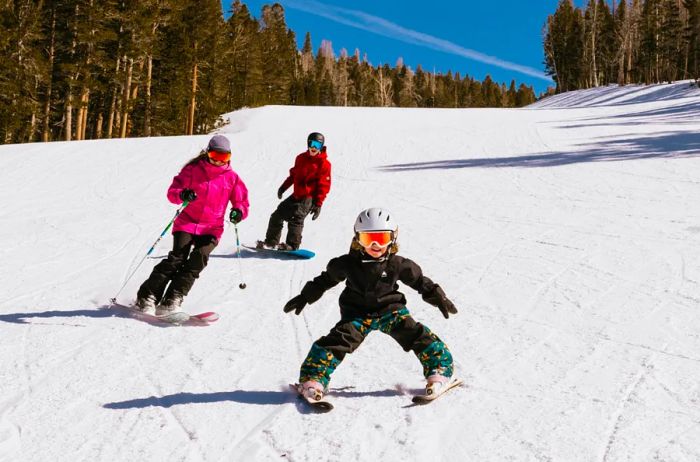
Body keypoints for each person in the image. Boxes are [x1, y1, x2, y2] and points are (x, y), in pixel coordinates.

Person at [283, 207, 458, 401]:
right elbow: (325, 280)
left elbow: (420, 281)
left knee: (416, 333)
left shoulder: (398, 264)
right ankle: (313, 380)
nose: (375, 245)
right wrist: (306, 296)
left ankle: (439, 369)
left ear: (392, 238)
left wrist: (437, 296)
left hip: (391, 311)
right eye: (368, 239)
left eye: (382, 239)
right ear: (358, 239)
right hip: (357, 314)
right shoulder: (347, 263)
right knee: (336, 342)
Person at [135, 135, 249, 315]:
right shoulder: (193, 170)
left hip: (212, 227)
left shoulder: (232, 178)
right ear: (207, 152)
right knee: (177, 258)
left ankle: (173, 297)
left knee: (198, 260)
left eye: (224, 157)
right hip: (187, 222)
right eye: (215, 155)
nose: (219, 161)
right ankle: (147, 296)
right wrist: (183, 194)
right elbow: (173, 192)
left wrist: (239, 211)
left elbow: (241, 201)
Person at [257, 132, 331, 251]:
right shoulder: (300, 158)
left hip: (309, 197)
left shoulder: (324, 164)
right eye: (312, 144)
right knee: (277, 215)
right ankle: (271, 241)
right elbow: (293, 176)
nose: (314, 148)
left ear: (321, 147)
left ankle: (292, 245)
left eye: (317, 145)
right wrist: (283, 187)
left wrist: (318, 204)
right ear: (308, 143)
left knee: (296, 218)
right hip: (296, 195)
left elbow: (324, 185)